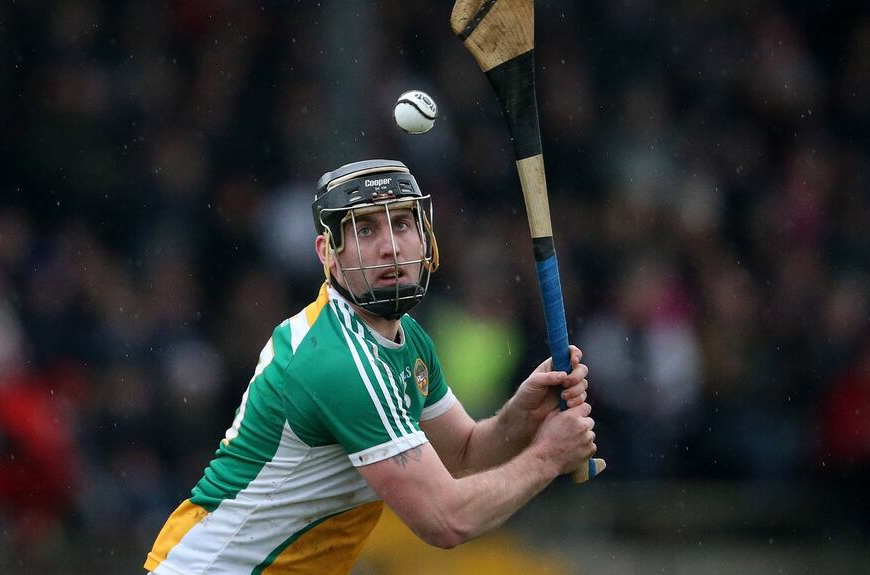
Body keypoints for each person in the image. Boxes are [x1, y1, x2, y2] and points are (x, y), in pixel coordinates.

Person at [144, 159, 600, 574]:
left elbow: (462, 454)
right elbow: (446, 521)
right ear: (328, 253)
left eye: (401, 223)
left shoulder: (406, 338)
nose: (390, 247)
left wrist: (524, 416)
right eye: (365, 230)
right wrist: (547, 457)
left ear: (425, 235)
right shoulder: (338, 361)